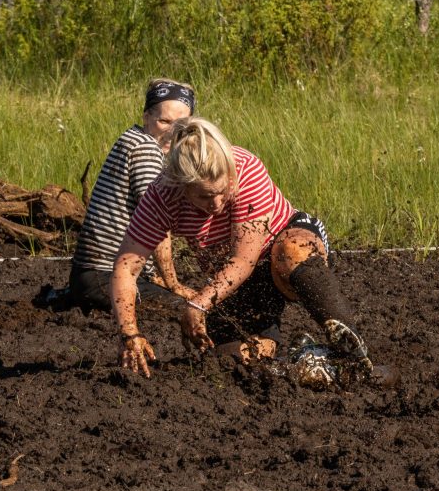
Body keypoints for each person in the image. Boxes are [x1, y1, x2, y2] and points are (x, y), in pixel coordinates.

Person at [111, 117, 376, 381]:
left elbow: (243, 260)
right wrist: (129, 334)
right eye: (204, 196)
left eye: (222, 190)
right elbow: (125, 267)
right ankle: (302, 362)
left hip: (280, 249)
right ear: (182, 186)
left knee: (292, 250)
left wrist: (198, 304)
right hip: (237, 281)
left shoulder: (245, 168)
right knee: (232, 364)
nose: (217, 203)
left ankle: (354, 353)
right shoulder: (161, 196)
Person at [42, 78, 197, 312]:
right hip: (105, 276)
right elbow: (157, 220)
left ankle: (70, 296)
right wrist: (173, 284)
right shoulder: (146, 149)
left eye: (181, 124)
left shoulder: (132, 138)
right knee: (184, 308)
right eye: (164, 121)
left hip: (91, 274)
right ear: (146, 117)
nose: (172, 131)